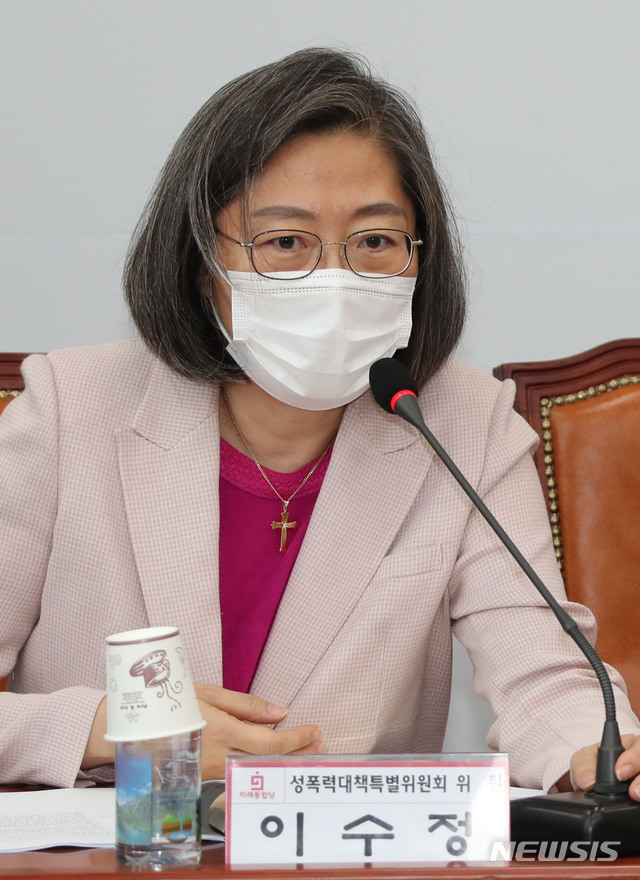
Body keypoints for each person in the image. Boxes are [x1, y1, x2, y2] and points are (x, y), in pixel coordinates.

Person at [1, 47, 639, 795]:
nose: (335, 279)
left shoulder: (461, 423)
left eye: (374, 242)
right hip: (118, 859)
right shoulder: (73, 407)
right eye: (285, 243)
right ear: (200, 262)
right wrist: (106, 730)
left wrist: (609, 757)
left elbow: (547, 681)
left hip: (346, 861)